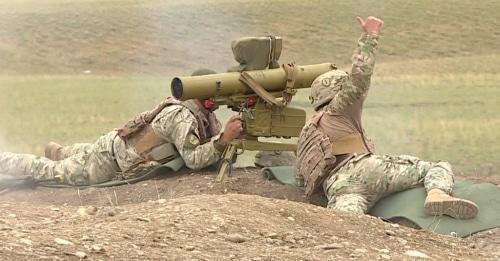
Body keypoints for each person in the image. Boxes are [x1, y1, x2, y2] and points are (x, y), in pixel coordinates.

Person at [294, 16, 479, 219]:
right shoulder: (340, 108)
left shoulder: (309, 131)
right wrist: (370, 36)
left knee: (346, 222)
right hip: (365, 170)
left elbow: (303, 178)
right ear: (338, 90)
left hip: (338, 186)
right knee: (436, 167)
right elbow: (360, 75)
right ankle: (437, 195)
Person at [0, 69, 243, 186]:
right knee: (51, 171)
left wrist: (226, 138)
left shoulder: (205, 116)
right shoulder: (182, 116)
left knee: (83, 154)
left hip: (114, 148)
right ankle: (5, 160)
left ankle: (62, 151)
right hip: (109, 162)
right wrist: (223, 140)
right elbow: (193, 158)